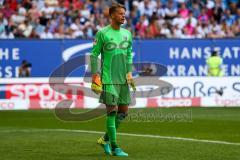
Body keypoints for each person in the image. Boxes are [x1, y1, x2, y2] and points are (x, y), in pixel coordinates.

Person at [90, 3, 134, 157]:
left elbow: (129, 54)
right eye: (120, 13)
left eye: (124, 13)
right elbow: (94, 55)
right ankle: (115, 147)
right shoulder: (103, 33)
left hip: (123, 79)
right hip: (108, 78)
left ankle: (104, 139)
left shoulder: (127, 34)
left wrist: (129, 73)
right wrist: (95, 76)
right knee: (112, 111)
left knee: (123, 113)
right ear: (112, 15)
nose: (123, 16)